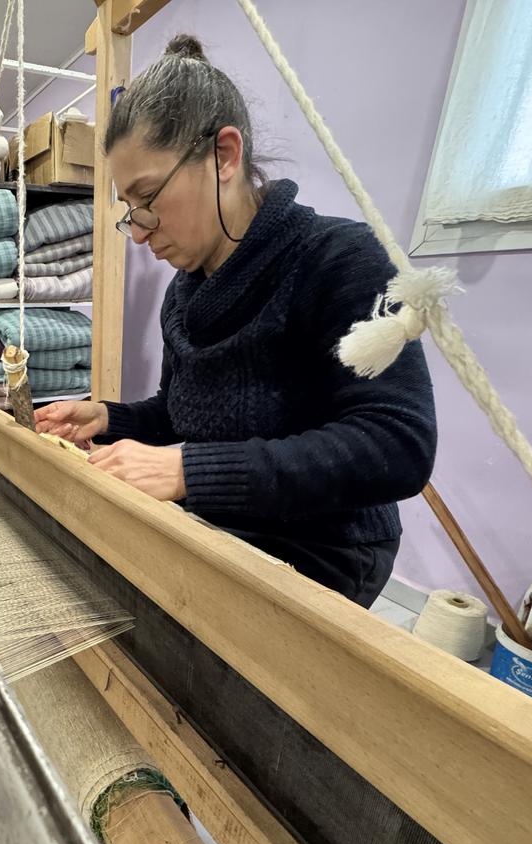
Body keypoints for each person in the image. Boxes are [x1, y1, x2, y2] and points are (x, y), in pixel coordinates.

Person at [34, 34, 436, 608]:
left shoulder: (339, 259)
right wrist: (108, 417)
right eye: (131, 211)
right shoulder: (184, 293)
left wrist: (189, 471)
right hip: (224, 518)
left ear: (224, 156)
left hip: (325, 545)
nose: (140, 231)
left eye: (148, 198)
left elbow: (398, 445)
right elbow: (181, 415)